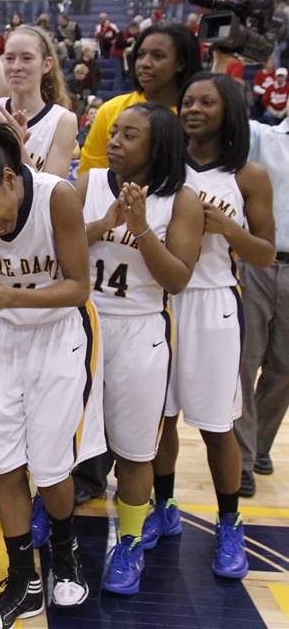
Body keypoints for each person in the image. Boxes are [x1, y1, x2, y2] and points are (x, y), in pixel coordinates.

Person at [0, 125, 103, 628]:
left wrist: (8, 295)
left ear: (10, 179)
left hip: (61, 336)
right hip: (7, 338)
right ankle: (23, 582)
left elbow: (79, 286)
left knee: (52, 467)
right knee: (7, 463)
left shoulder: (58, 197)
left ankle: (65, 550)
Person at [142, 72, 276, 580]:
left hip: (214, 303)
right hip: (158, 301)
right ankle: (164, 507)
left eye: (207, 102)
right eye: (189, 101)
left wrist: (229, 228)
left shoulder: (248, 175)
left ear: (230, 111)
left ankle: (229, 522)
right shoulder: (163, 169)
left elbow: (264, 255)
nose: (193, 109)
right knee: (162, 419)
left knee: (217, 425)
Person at [0, 25, 78, 510]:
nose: (17, 66)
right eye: (9, 57)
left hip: (36, 271)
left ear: (47, 65)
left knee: (30, 396)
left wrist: (22, 158)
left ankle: (32, 479)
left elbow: (48, 187)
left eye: (27, 58)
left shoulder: (62, 119)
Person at [78, 102, 202, 594]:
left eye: (130, 136)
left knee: (133, 450)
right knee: (63, 436)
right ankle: (54, 514)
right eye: (114, 131)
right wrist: (102, 224)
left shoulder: (182, 200)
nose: (114, 141)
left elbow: (178, 278)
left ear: (157, 149)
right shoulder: (86, 185)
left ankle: (129, 543)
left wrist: (141, 226)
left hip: (141, 328)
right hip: (83, 324)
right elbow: (59, 246)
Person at [233, 82, 289, 497]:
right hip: (260, 261)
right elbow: (228, 108)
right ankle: (243, 459)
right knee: (245, 360)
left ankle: (261, 445)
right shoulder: (263, 136)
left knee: (284, 369)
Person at [79, 24, 202, 174]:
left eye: (157, 56)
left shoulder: (197, 116)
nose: (144, 63)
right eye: (141, 55)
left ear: (180, 63)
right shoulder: (110, 110)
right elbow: (90, 178)